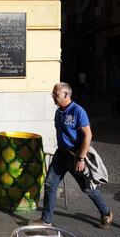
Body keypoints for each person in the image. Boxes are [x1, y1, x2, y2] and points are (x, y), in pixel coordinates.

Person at [30, 82, 113, 229]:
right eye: (53, 94)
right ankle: (46, 220)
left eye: (56, 94)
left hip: (75, 155)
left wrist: (81, 158)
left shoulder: (78, 111)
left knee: (87, 188)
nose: (53, 97)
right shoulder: (58, 111)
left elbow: (88, 135)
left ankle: (106, 213)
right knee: (50, 184)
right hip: (61, 154)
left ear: (66, 94)